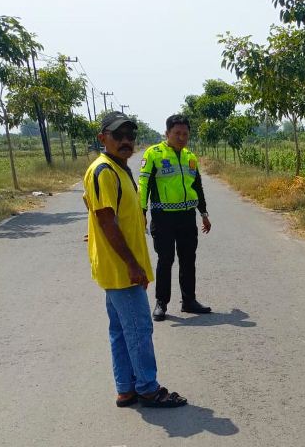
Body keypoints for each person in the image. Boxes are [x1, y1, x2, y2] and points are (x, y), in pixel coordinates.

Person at [83, 111, 187, 408]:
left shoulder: (117, 168)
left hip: (115, 267)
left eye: (130, 136)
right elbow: (106, 220)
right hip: (121, 269)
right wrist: (132, 265)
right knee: (140, 329)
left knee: (119, 330)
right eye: (119, 136)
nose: (126, 141)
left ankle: (126, 388)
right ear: (103, 138)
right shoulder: (104, 170)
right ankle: (148, 388)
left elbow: (98, 214)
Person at [139, 114, 212, 321]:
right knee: (166, 260)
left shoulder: (190, 157)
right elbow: (144, 184)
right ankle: (161, 303)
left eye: (185, 134)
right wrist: (141, 212)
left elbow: (197, 186)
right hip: (163, 219)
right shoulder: (154, 154)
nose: (181, 137)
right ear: (167, 133)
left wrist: (204, 214)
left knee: (188, 259)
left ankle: (189, 301)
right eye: (177, 133)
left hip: (187, 217)